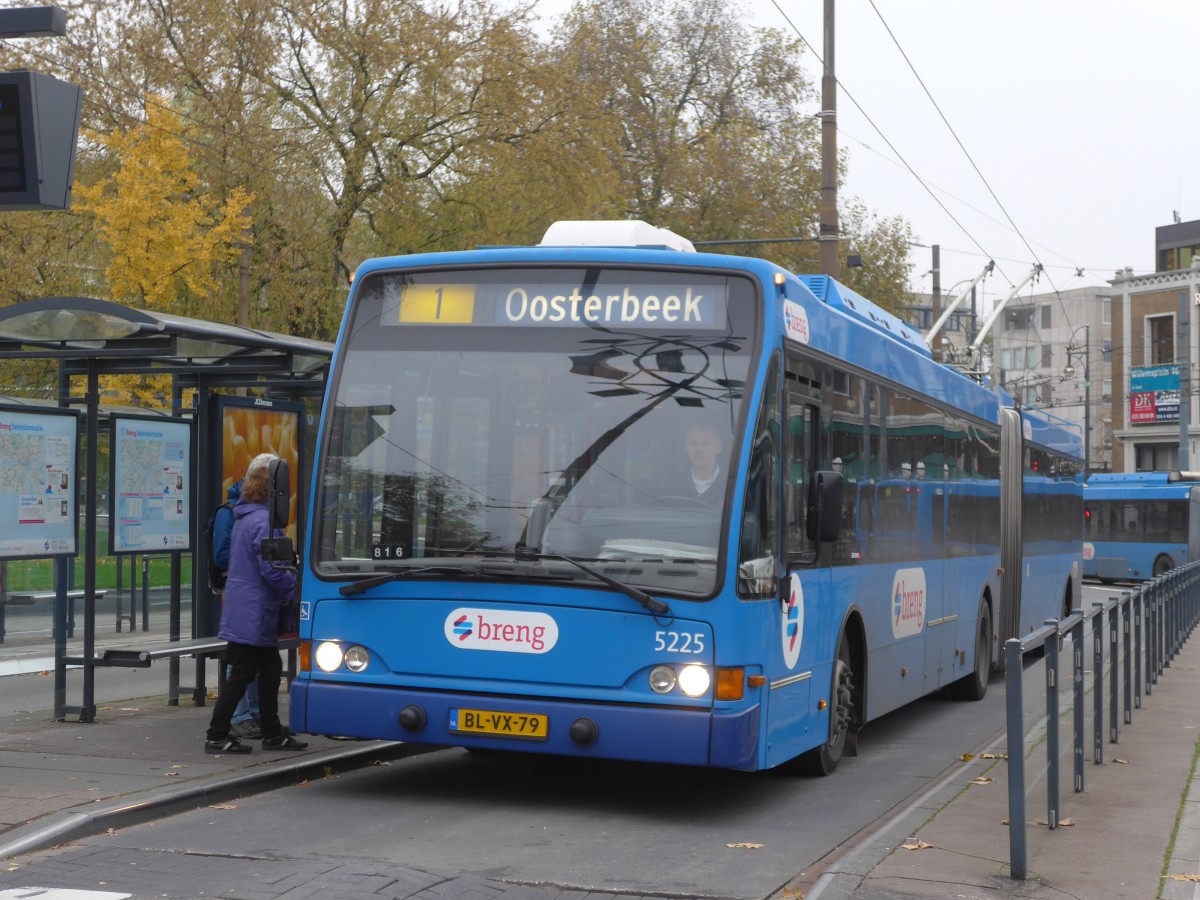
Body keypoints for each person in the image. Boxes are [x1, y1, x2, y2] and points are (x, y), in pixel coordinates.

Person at [204, 453, 308, 754]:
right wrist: (294, 587)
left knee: (268, 669)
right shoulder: (263, 521)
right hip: (255, 611)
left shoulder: (245, 517)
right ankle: (217, 734)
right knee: (243, 674)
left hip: (246, 609)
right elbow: (272, 568)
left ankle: (272, 732)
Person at [212, 479, 262, 740]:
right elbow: (220, 556)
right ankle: (239, 716)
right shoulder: (229, 513)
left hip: (251, 594)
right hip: (239, 593)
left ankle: (252, 712)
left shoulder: (252, 514)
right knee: (241, 660)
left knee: (252, 660)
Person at [665, 423, 725, 506]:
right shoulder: (672, 485)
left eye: (706, 443)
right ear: (686, 447)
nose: (699, 449)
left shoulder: (731, 484)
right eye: (693, 443)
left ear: (718, 448)